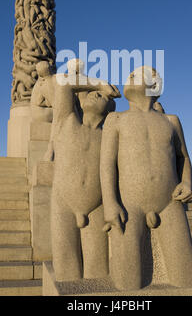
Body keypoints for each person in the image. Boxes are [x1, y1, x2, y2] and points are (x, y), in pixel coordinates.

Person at [100, 66, 192, 290]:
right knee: (129, 283)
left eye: (135, 75)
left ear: (155, 85)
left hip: (169, 203)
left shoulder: (171, 121)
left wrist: (186, 182)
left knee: (187, 280)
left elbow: (183, 157)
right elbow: (106, 164)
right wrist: (110, 203)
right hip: (129, 204)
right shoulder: (115, 119)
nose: (128, 78)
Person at [50, 60, 120, 282]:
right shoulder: (67, 122)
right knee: (65, 274)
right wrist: (100, 84)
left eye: (101, 96)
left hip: (97, 205)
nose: (95, 94)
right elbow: (63, 84)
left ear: (110, 110)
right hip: (63, 203)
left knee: (97, 273)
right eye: (91, 93)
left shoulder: (108, 137)